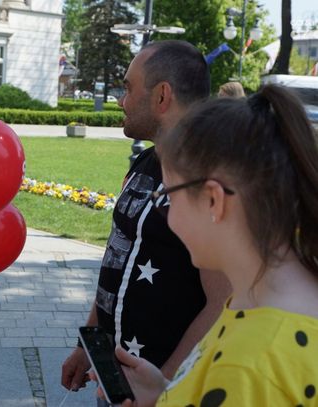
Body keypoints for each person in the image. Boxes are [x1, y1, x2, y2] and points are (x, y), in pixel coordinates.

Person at [100, 84, 318, 406]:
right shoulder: (257, 299)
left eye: (167, 197)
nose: (167, 215)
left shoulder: (248, 366)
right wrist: (165, 393)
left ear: (214, 200)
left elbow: (240, 382)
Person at [61, 40, 232, 398]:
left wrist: (162, 386)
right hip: (116, 377)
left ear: (162, 96)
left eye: (128, 88)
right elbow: (117, 257)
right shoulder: (144, 163)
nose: (121, 101)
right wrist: (87, 344)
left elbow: (222, 304)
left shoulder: (206, 181)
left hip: (162, 389)